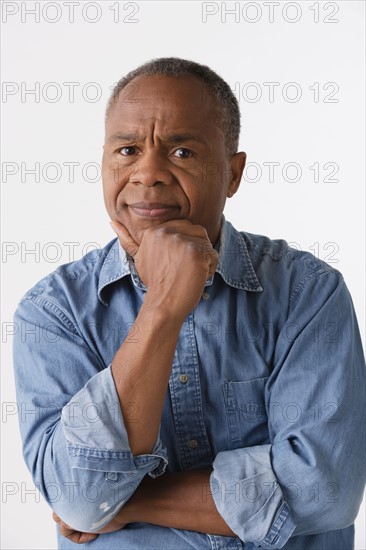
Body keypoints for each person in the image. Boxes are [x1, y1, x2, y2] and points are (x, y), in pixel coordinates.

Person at [13, 57, 365, 549]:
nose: (148, 174)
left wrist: (126, 500)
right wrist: (163, 308)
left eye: (180, 151)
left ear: (233, 174)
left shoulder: (308, 292)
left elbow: (324, 488)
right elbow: (77, 494)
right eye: (128, 150)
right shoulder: (54, 312)